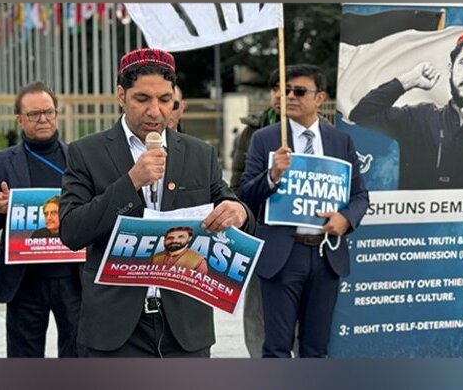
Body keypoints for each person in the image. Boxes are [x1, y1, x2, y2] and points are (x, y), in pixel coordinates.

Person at [59, 47, 255, 358]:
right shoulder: (86, 152)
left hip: (186, 329)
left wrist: (239, 212)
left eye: (165, 100)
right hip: (116, 332)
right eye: (142, 99)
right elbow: (71, 231)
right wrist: (130, 183)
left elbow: (230, 204)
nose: (155, 111)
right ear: (121, 95)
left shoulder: (200, 154)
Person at [239, 64, 369, 358]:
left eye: (299, 91)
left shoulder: (340, 141)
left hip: (325, 257)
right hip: (283, 255)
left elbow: (360, 195)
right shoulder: (264, 139)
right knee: (276, 347)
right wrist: (271, 176)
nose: (290, 96)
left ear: (320, 98)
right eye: (284, 91)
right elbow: (245, 195)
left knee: (316, 347)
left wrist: (346, 219)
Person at [0, 81, 81, 358]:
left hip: (73, 279)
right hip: (23, 281)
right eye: (34, 114)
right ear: (19, 119)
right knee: (24, 360)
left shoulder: (79, 159)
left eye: (48, 112)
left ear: (56, 114)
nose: (43, 119)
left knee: (79, 357)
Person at [349, 27, 463, 189]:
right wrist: (409, 81)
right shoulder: (421, 117)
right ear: (450, 68)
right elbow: (361, 115)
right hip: (418, 213)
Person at [229, 68, 281, 358]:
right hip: (263, 235)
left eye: (293, 90)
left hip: (305, 241)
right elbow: (238, 185)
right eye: (275, 88)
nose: (281, 96)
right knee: (258, 311)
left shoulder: (324, 133)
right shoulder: (253, 133)